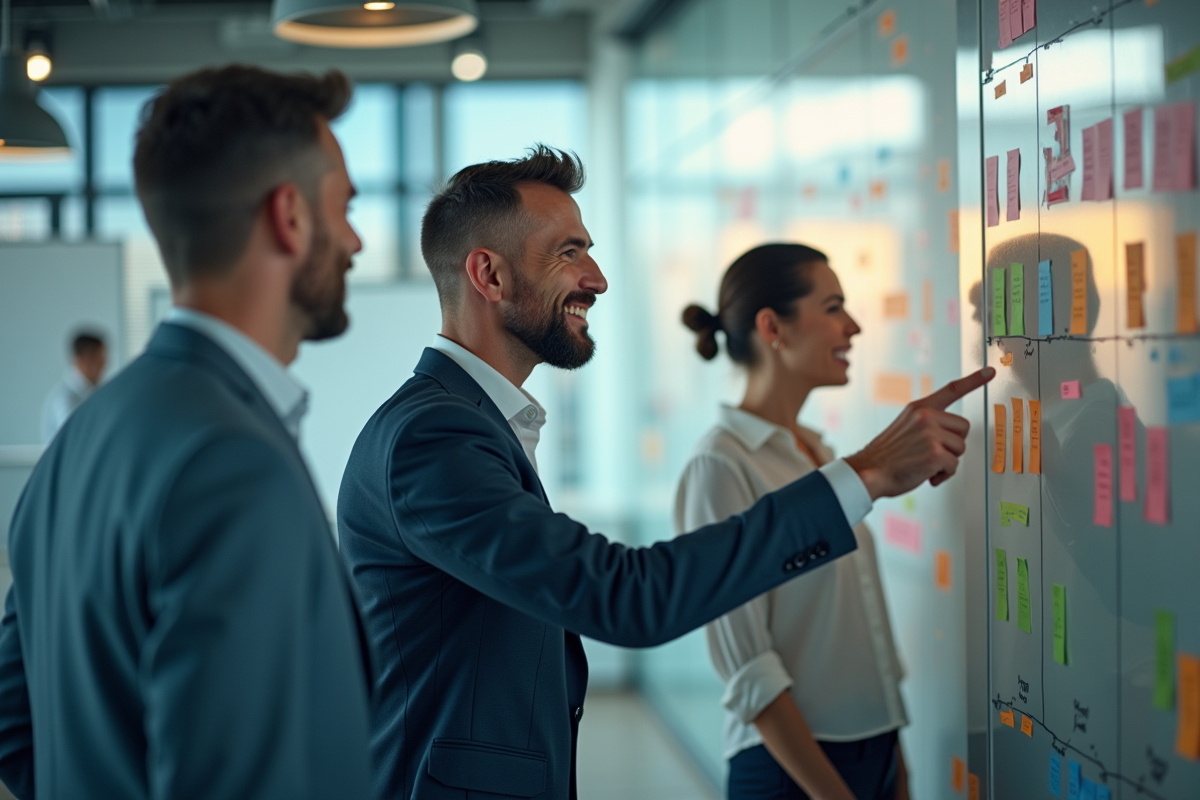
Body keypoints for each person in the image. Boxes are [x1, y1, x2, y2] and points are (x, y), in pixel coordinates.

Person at [338, 145, 992, 800]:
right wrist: (866, 474)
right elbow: (625, 597)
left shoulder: (474, 424)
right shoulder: (434, 437)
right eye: (569, 252)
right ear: (490, 275)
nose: (596, 278)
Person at [0, 66, 373, 800]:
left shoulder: (82, 438)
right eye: (345, 206)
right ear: (289, 216)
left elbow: (14, 722)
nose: (357, 239)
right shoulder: (233, 464)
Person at [676, 244, 910, 800]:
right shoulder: (721, 464)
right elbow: (748, 668)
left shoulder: (819, 451)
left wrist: (896, 770)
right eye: (833, 307)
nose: (852, 326)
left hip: (872, 754)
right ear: (771, 326)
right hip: (793, 773)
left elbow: (861, 631)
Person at [41, 330, 107, 442]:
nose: (103, 366)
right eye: (99, 360)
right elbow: (77, 439)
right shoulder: (64, 399)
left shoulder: (92, 394)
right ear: (82, 360)